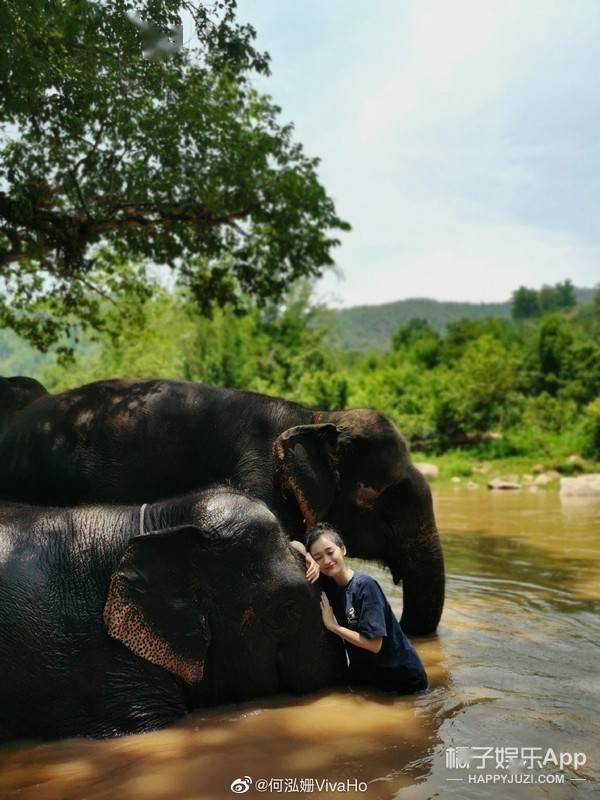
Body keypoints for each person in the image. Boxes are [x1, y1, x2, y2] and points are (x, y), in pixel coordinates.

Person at [296, 524, 428, 694]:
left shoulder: (365, 587)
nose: (327, 561)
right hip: (371, 678)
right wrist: (307, 556)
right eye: (319, 557)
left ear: (343, 550)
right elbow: (293, 544)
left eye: (330, 552)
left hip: (403, 680)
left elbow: (374, 645)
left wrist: (333, 626)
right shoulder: (329, 584)